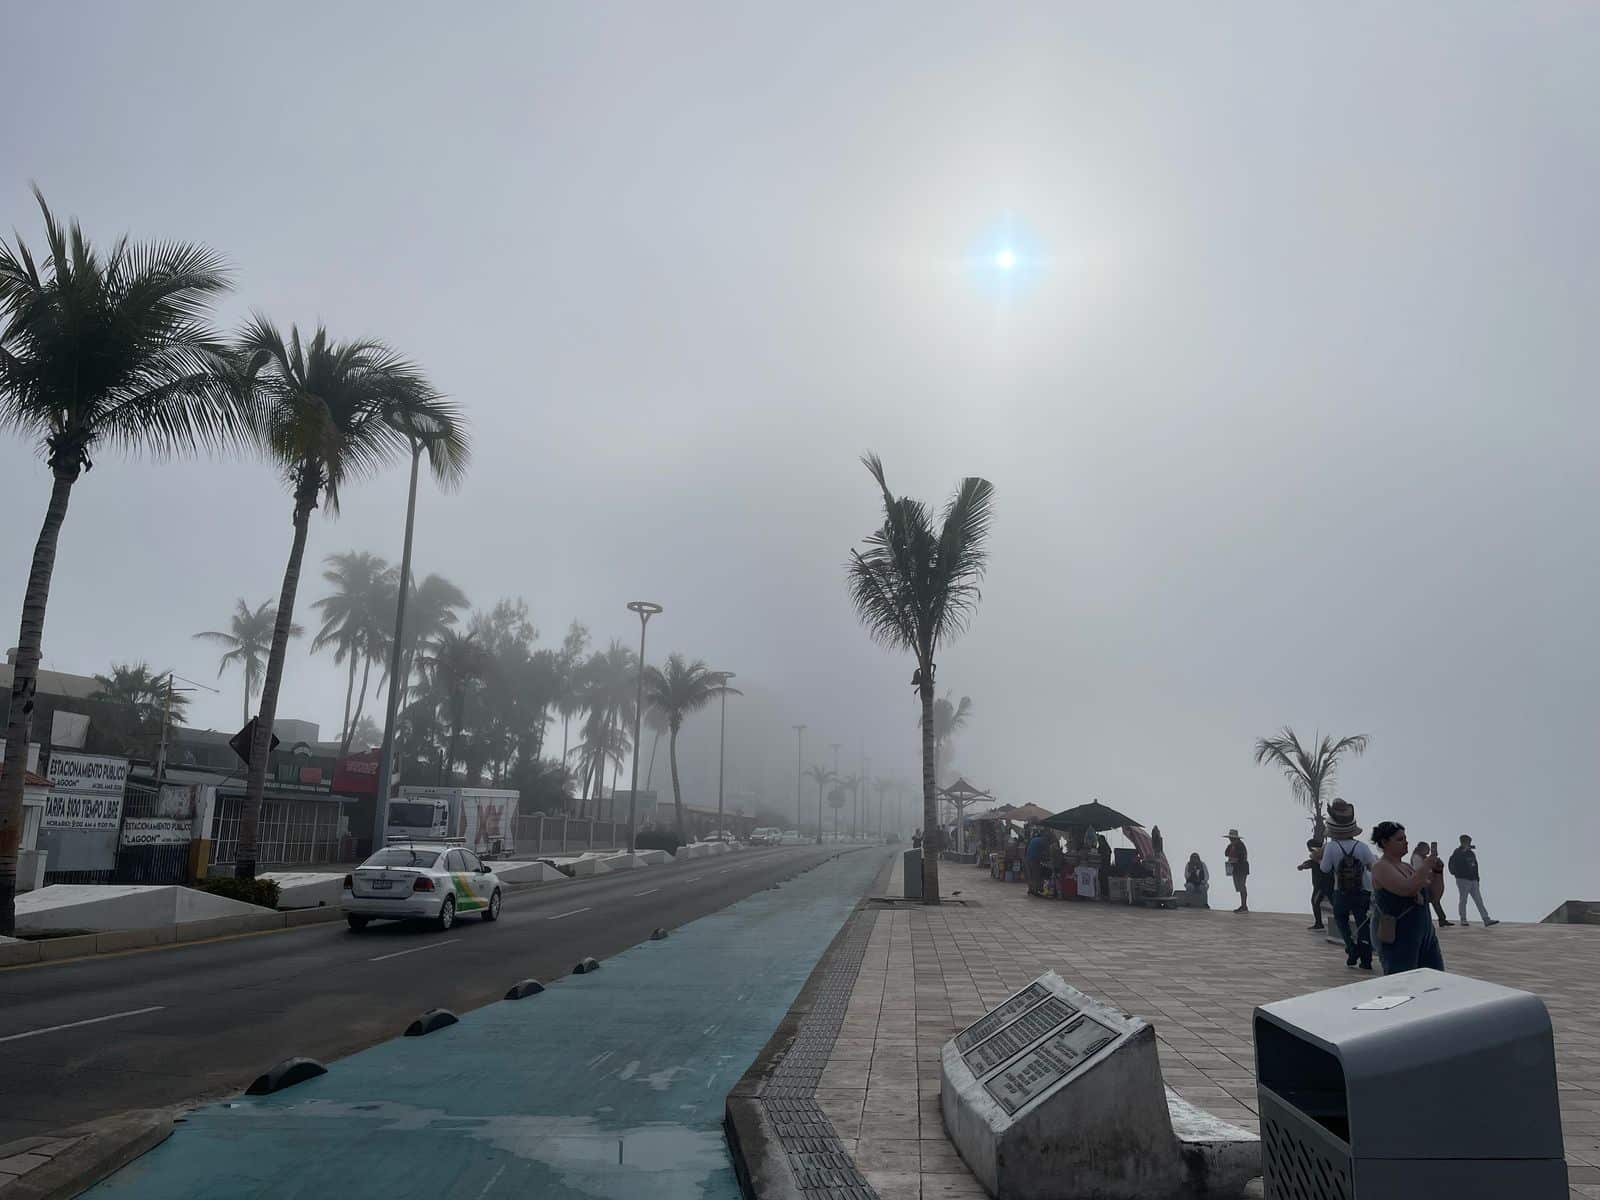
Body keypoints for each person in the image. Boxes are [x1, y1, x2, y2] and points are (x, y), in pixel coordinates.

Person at [1371, 821, 1445, 975]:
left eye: (1405, 838)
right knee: (1402, 983)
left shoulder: (1407, 867)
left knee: (1434, 982)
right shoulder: (1381, 866)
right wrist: (1425, 866)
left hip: (1425, 934)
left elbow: (1433, 896)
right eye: (1399, 839)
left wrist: (1438, 872)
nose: (1405, 842)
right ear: (1384, 842)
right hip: (1400, 936)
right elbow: (1406, 888)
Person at [1319, 798, 1375, 970]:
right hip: (1362, 890)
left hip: (1340, 891)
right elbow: (1372, 867)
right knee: (1362, 922)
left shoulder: (1331, 848)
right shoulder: (1362, 847)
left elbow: (1325, 868)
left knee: (1341, 920)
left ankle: (1351, 948)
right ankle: (1366, 959)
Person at [1447, 834, 1499, 927]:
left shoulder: (1471, 853)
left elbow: (1475, 866)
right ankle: (1463, 920)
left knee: (1479, 900)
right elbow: (1454, 863)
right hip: (1462, 879)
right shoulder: (1457, 852)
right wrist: (1457, 874)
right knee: (1463, 899)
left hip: (1473, 880)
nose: (1469, 843)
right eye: (1468, 841)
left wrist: (1477, 879)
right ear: (1463, 842)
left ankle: (1486, 919)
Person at [1409, 841, 1453, 926]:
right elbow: (1419, 870)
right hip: (1422, 884)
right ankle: (1431, 920)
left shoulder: (1422, 857)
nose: (1428, 851)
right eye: (1427, 849)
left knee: (1435, 901)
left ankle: (1442, 919)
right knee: (1428, 902)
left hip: (1427, 883)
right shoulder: (1417, 857)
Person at [1298, 837, 1332, 930]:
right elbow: (1309, 863)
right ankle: (1319, 923)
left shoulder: (1317, 855)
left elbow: (1311, 863)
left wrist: (1303, 866)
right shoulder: (1319, 855)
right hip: (1323, 884)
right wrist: (1303, 865)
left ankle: (1319, 923)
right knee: (1331, 902)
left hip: (1321, 885)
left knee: (1315, 902)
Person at [1223, 829, 1249, 912]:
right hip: (1235, 868)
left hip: (1241, 868)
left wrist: (1235, 859)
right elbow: (1226, 853)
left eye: (1232, 838)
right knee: (1239, 886)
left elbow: (1242, 857)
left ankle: (1244, 906)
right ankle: (1243, 905)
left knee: (1242, 886)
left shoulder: (1240, 845)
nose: (1230, 839)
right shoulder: (1232, 845)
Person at [1024, 827, 1047, 896]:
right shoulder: (1042, 840)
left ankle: (1030, 889)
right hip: (1034, 859)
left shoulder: (1033, 839)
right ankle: (1036, 890)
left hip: (1028, 859)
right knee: (1036, 875)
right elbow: (1045, 851)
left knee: (1030, 875)